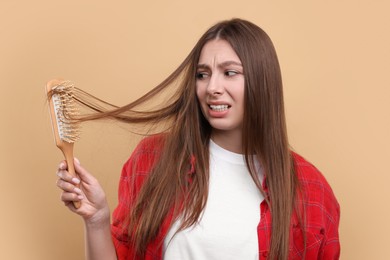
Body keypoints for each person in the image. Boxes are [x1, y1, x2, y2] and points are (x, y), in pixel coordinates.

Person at [55, 18, 340, 260]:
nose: (212, 87)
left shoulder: (310, 190)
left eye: (230, 73)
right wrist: (96, 221)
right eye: (202, 75)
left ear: (262, 81)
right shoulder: (153, 159)